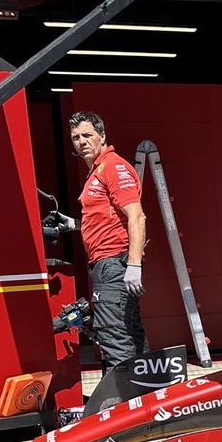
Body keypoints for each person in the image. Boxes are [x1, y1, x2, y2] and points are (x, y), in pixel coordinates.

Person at [68, 111, 147, 371]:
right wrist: (73, 225)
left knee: (114, 336)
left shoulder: (112, 166)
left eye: (87, 135)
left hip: (114, 263)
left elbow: (136, 216)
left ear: (102, 136)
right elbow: (105, 218)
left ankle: (122, 405)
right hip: (107, 264)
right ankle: (148, 396)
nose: (81, 141)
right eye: (76, 137)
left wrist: (134, 266)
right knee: (129, 332)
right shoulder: (97, 170)